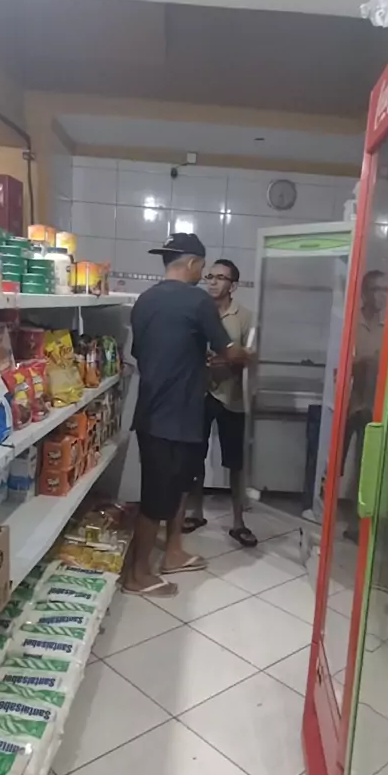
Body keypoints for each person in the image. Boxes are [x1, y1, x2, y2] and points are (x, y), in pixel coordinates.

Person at [122, 234, 253, 597]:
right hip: (173, 415)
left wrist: (192, 358)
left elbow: (146, 352)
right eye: (203, 268)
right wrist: (251, 355)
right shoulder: (197, 301)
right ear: (193, 263)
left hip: (155, 413)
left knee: (179, 485)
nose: (204, 276)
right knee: (156, 498)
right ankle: (137, 575)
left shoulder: (144, 300)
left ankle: (173, 553)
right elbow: (229, 352)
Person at [183, 259, 258, 547]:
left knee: (235, 463)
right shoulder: (198, 311)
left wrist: (231, 360)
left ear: (233, 286)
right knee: (194, 456)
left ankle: (239, 522)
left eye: (220, 278)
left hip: (232, 397)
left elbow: (252, 356)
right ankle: (196, 512)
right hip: (200, 394)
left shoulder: (246, 316)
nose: (213, 282)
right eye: (210, 276)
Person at [342, 268, 387, 542]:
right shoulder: (349, 321)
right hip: (345, 403)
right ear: (364, 293)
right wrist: (363, 361)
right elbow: (341, 362)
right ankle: (320, 516)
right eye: (376, 289)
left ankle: (356, 525)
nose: (381, 295)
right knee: (333, 463)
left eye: (385, 290)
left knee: (364, 466)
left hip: (372, 405)